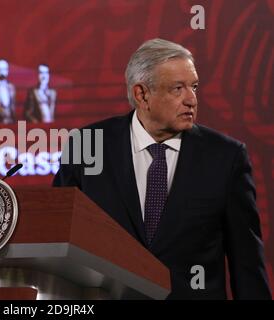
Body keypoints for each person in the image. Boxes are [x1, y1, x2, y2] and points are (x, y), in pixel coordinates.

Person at [53, 38, 272, 300]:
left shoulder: (227, 157)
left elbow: (246, 263)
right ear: (141, 94)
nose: (191, 99)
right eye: (177, 89)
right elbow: (59, 239)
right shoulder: (88, 145)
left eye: (194, 87)